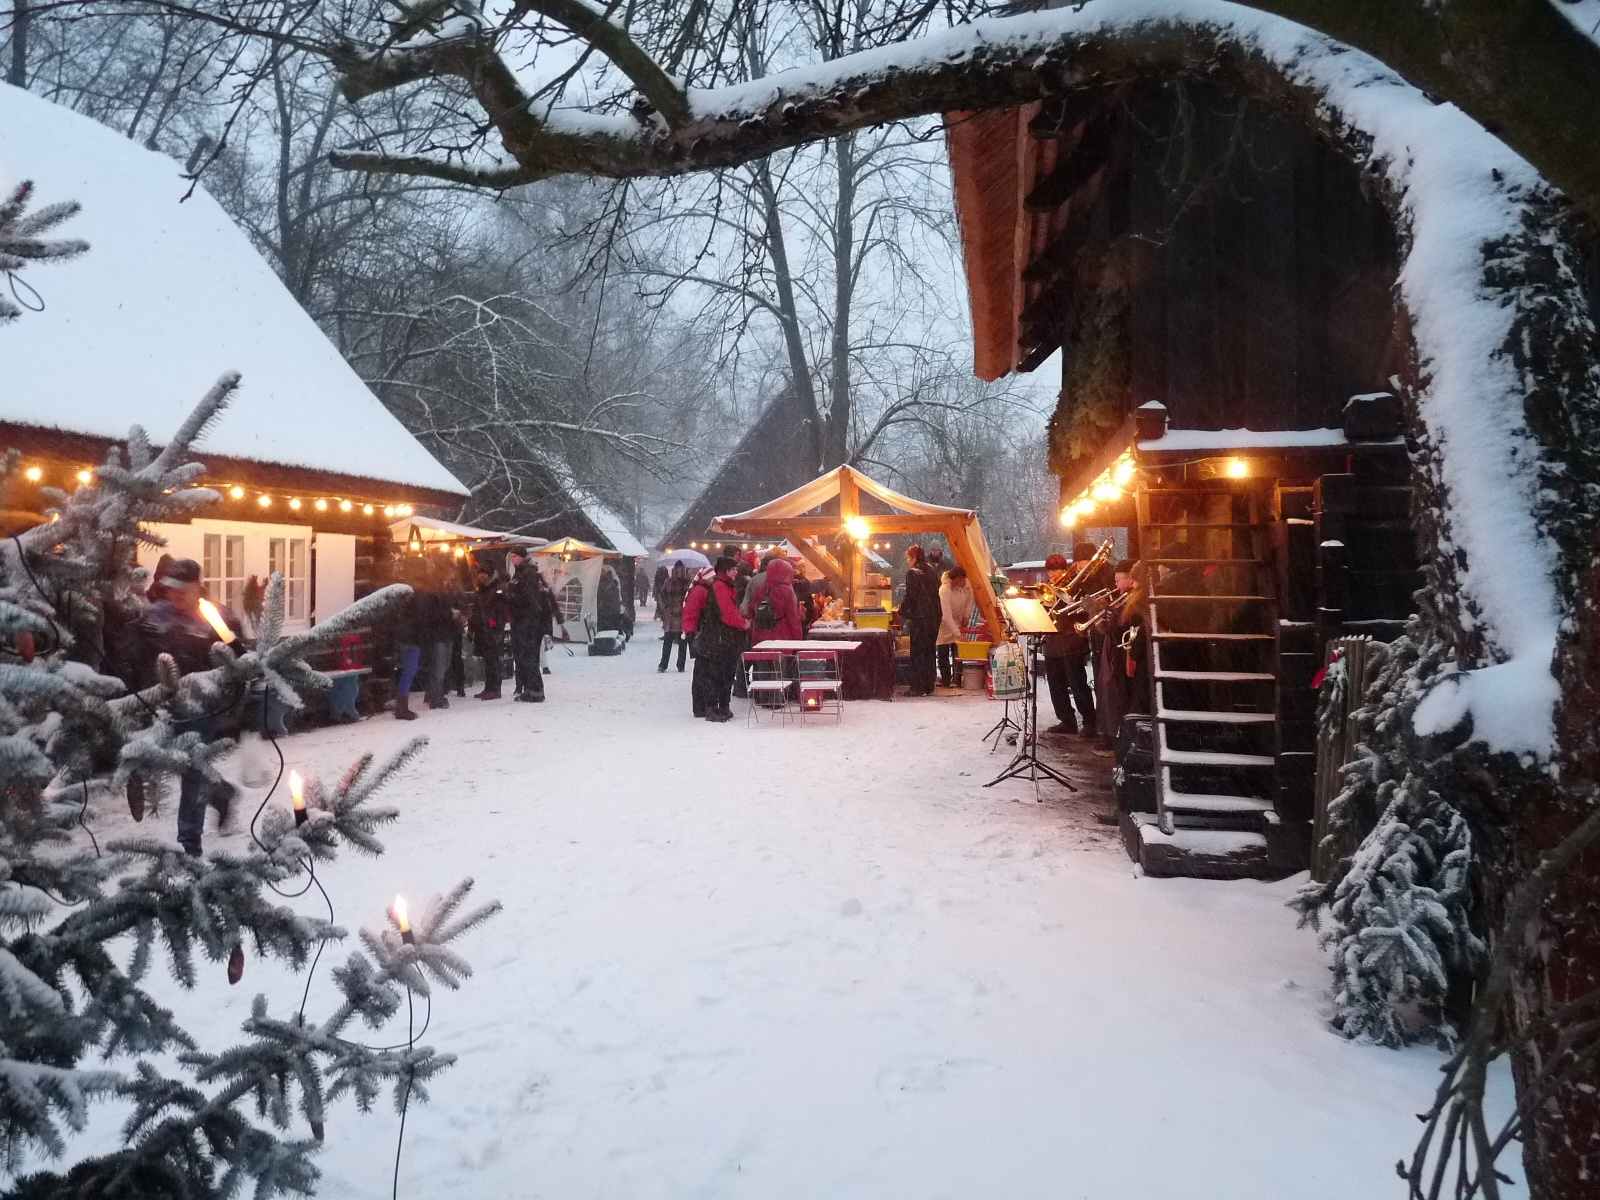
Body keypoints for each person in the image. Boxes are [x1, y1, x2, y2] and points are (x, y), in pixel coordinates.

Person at [132, 558, 243, 856]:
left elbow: (238, 664)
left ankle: (189, 841)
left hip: (202, 705)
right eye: (170, 589)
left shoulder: (219, 619)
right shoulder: (155, 616)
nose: (175, 595)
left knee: (191, 768)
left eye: (182, 589)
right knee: (177, 764)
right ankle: (222, 794)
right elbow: (132, 650)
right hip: (159, 700)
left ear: (197, 586)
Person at [1039, 544, 1103, 735]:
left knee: (1077, 683)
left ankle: (1090, 720)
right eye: (1050, 570)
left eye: (1056, 570)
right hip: (1052, 641)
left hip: (1072, 640)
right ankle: (1066, 720)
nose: (1052, 574)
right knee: (1055, 684)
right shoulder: (1047, 588)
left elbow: (1084, 610)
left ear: (1065, 570)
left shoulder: (1076, 585)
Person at [683, 556, 749, 722]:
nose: (736, 572)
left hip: (722, 638)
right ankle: (712, 707)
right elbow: (727, 614)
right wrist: (744, 623)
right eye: (733, 569)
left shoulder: (723, 586)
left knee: (724, 673)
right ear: (725, 571)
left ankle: (721, 706)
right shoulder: (720, 587)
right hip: (718, 640)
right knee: (715, 674)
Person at [1094, 559, 1147, 744]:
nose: (1115, 584)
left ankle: (1122, 738)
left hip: (1125, 655)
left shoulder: (1136, 599)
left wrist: (1107, 619)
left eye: (1118, 580)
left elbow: (1122, 629)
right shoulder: (1129, 598)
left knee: (1123, 697)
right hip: (1122, 653)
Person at [507, 551, 553, 701]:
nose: (512, 559)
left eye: (515, 556)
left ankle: (535, 691)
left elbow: (526, 598)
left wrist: (508, 597)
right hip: (522, 620)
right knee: (524, 658)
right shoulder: (520, 573)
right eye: (511, 557)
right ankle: (529, 689)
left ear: (522, 557)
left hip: (527, 622)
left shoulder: (527, 574)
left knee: (529, 658)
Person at [897, 545, 942, 696]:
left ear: (914, 558)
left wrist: (901, 612)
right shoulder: (931, 570)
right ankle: (929, 685)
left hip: (920, 618)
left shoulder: (913, 573)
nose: (908, 561)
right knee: (929, 651)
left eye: (909, 558)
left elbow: (910, 596)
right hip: (934, 618)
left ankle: (917, 686)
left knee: (917, 652)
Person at [469, 564, 509, 700]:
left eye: (484, 573)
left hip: (492, 629)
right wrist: (472, 626)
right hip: (483, 629)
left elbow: (501, 609)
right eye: (480, 573)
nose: (481, 575)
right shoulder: (482, 590)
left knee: (493, 659)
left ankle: (495, 688)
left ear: (490, 575)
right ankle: (489, 687)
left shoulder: (496, 589)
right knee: (488, 659)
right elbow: (477, 610)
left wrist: (496, 623)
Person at [747, 555, 802, 644]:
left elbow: (751, 614)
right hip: (781, 637)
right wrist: (797, 638)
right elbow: (793, 618)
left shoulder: (759, 589)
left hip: (760, 637)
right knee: (780, 658)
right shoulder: (787, 591)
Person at [937, 565, 975, 687]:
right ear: (953, 580)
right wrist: (958, 634)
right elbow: (946, 616)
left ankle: (958, 678)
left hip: (958, 620)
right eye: (959, 581)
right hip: (943, 623)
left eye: (963, 580)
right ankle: (946, 679)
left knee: (957, 651)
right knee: (943, 649)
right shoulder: (944, 590)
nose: (962, 583)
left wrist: (966, 616)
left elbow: (970, 600)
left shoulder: (967, 584)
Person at [656, 560, 691, 672]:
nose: (680, 572)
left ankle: (681, 665)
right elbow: (661, 595)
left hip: (683, 615)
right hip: (670, 615)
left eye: (681, 569)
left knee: (682, 642)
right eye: (678, 569)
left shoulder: (688, 583)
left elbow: (691, 597)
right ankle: (663, 664)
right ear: (675, 570)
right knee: (668, 642)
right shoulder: (669, 581)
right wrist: (665, 608)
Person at [597, 564, 624, 636]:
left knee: (605, 626)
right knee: (612, 625)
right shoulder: (614, 584)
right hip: (613, 610)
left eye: (602, 571)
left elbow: (599, 596)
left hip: (606, 610)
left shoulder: (603, 584)